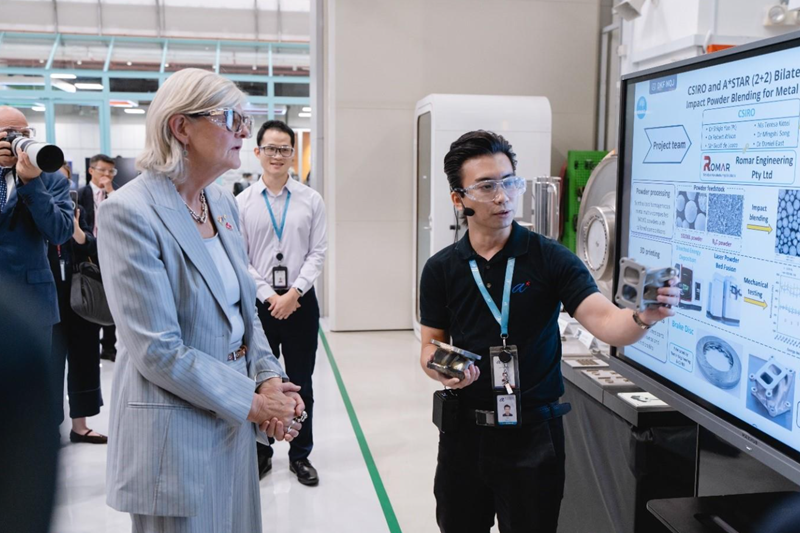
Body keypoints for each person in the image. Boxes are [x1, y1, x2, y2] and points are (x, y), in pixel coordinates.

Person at [419, 130, 679, 533]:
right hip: (464, 434)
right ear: (459, 199)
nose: (503, 197)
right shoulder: (441, 269)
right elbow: (429, 348)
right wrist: (444, 369)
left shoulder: (551, 259)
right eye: (487, 187)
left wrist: (642, 318)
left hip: (533, 434)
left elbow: (605, 321)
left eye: (509, 182)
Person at [98, 68, 305, 533]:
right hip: (174, 431)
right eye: (231, 118)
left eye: (246, 120)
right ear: (181, 127)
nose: (244, 132)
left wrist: (269, 378)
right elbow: (157, 350)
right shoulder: (129, 213)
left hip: (231, 415)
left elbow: (243, 311)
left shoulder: (222, 202)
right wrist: (256, 404)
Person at [237, 119, 327, 486]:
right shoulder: (242, 202)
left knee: (301, 382)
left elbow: (318, 252)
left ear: (293, 154)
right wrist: (270, 297)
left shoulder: (311, 200)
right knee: (262, 382)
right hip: (260, 306)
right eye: (271, 148)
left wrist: (294, 293)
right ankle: (262, 452)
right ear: (258, 152)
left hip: (300, 302)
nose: (277, 155)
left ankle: (300, 454)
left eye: (284, 149)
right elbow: (240, 257)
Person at [0, 106, 73, 356]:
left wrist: (32, 182)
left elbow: (60, 232)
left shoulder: (51, 179)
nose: (17, 140)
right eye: (9, 133)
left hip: (31, 303)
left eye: (24, 133)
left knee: (30, 379)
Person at [48, 164, 107, 444]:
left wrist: (75, 229)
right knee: (49, 363)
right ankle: (48, 425)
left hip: (79, 296)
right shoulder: (31, 207)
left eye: (64, 181)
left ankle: (80, 425)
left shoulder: (75, 209)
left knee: (85, 359)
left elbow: (91, 245)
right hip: (47, 296)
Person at [78, 153, 117, 362]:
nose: (107, 174)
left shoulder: (117, 195)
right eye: (103, 170)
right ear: (91, 170)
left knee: (112, 299)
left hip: (112, 252)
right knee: (93, 295)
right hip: (89, 253)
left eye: (111, 171)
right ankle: (90, 341)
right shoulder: (81, 194)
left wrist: (110, 191)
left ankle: (109, 346)